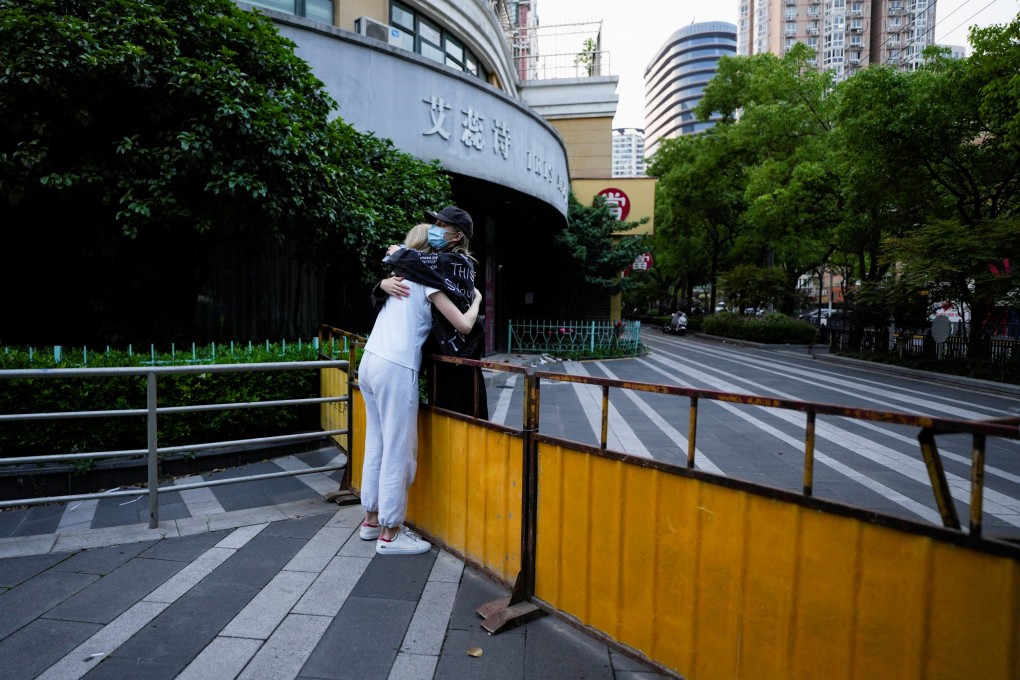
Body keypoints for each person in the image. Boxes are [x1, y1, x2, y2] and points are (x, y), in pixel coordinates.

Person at [359, 223, 483, 555]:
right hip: (396, 366)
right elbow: (465, 324)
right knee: (399, 450)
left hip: (369, 361)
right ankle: (391, 533)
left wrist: (382, 281)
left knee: (377, 442)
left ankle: (371, 520)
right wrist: (478, 300)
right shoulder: (430, 280)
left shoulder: (398, 276)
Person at [373, 205, 489, 419]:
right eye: (435, 223)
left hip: (458, 359)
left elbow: (412, 261)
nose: (434, 229)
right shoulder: (441, 265)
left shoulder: (453, 262)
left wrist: (398, 254)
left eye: (441, 225)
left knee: (461, 421)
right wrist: (382, 285)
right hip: (446, 357)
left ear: (457, 236)